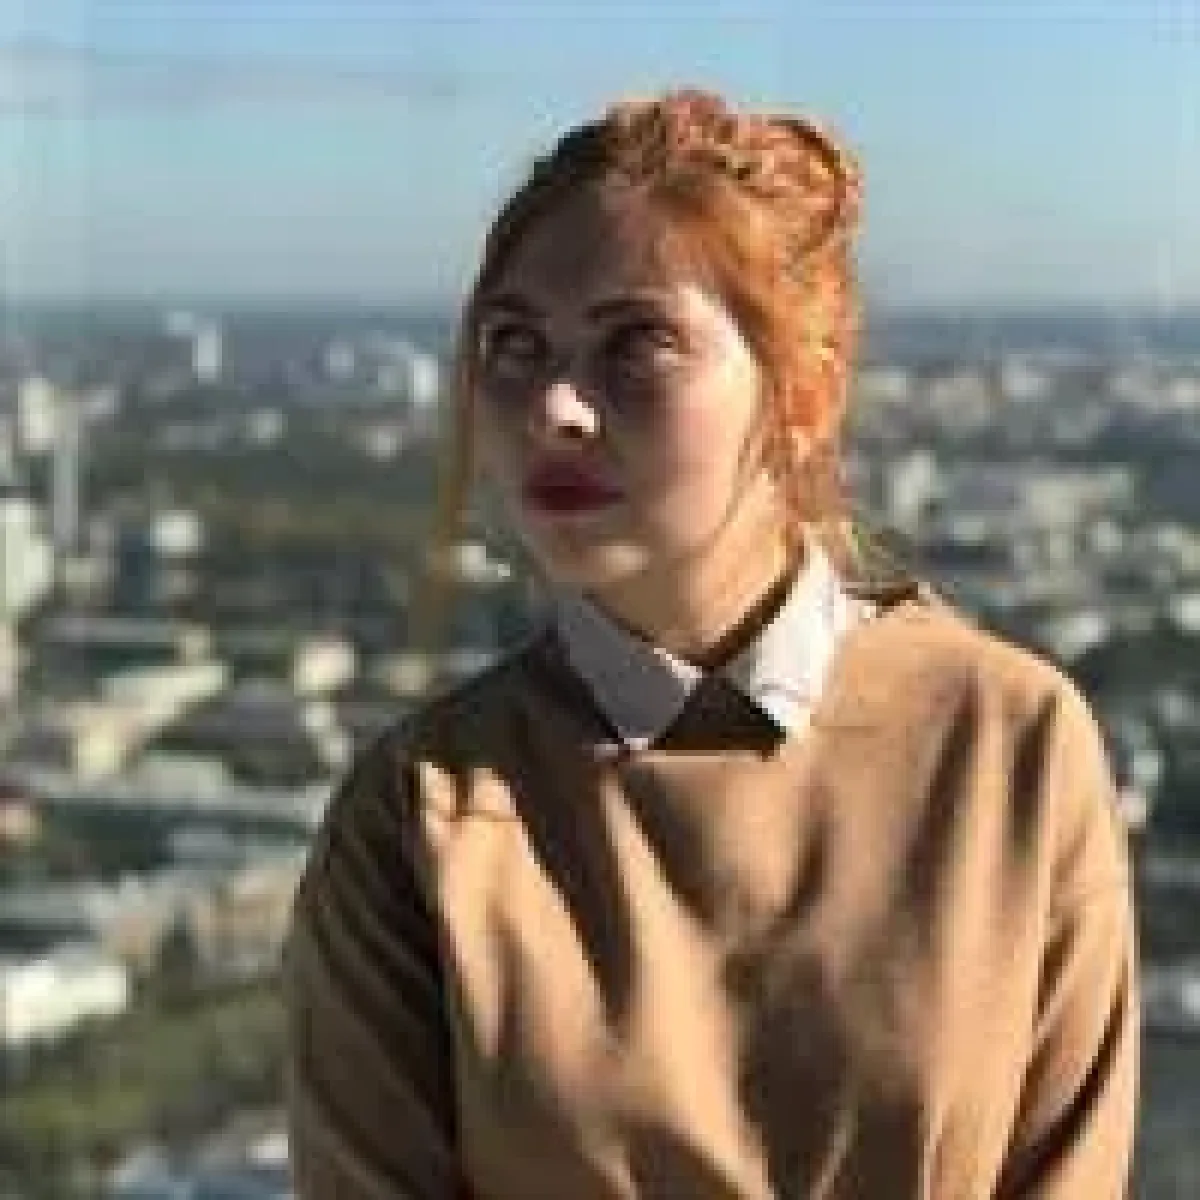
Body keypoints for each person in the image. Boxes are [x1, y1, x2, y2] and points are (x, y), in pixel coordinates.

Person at [282, 89, 1139, 1198]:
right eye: (515, 344)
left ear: (804, 393)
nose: (554, 408)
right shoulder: (421, 819)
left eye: (635, 343)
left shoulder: (1004, 744)